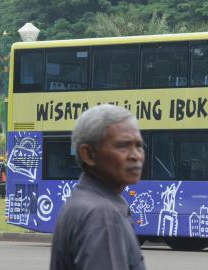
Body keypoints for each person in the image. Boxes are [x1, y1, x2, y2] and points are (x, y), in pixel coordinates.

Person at [50, 104, 146, 270]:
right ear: (88, 154)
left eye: (139, 146)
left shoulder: (82, 203)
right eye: (122, 145)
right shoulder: (102, 215)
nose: (135, 155)